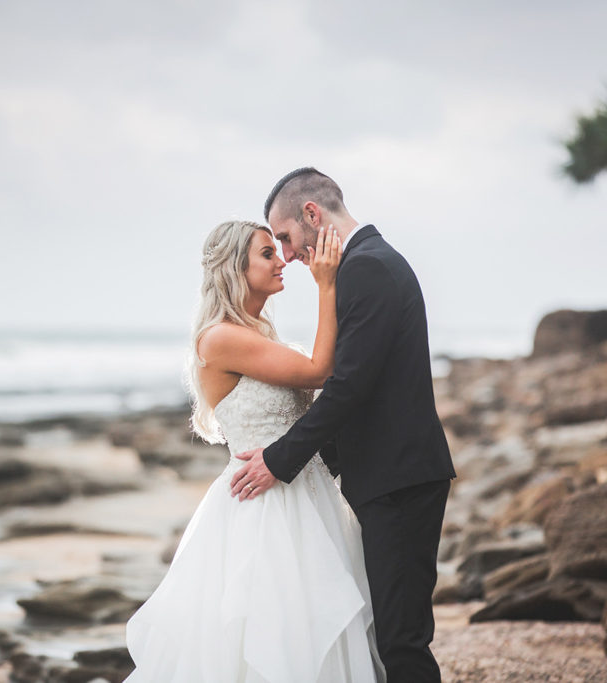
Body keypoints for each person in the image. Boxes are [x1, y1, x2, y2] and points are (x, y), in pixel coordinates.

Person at [124, 219, 384, 682]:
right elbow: (321, 370)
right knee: (271, 637)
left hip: (307, 497)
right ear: (234, 267)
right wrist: (326, 284)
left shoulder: (259, 334)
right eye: (267, 253)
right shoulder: (220, 337)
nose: (282, 259)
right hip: (263, 509)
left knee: (314, 628)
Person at [229, 168, 456, 683]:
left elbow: (347, 386)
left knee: (401, 644)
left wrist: (280, 461)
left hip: (399, 483)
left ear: (312, 215)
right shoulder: (370, 262)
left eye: (285, 238)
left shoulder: (367, 268)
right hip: (395, 479)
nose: (286, 254)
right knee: (394, 636)